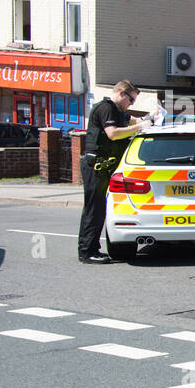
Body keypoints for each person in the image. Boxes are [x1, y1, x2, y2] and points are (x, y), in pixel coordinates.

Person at [78, 81, 147, 264]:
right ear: (122, 93)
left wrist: (148, 120)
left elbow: (131, 120)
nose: (131, 104)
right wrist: (140, 127)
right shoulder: (107, 108)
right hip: (96, 165)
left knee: (99, 209)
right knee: (95, 209)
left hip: (103, 166)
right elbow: (113, 133)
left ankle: (90, 249)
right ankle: (87, 252)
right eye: (131, 100)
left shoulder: (117, 111)